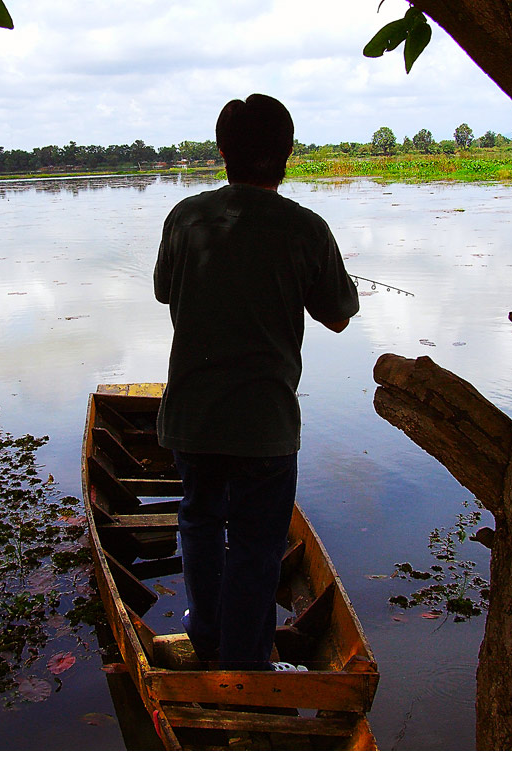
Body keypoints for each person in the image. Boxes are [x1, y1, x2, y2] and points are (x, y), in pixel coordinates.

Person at [153, 93, 359, 671]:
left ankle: (208, 633)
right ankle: (247, 660)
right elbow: (339, 316)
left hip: (193, 416)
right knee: (255, 544)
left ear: (222, 154)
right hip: (264, 425)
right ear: (288, 155)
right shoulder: (307, 228)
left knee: (198, 518)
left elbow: (166, 290)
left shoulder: (186, 217)